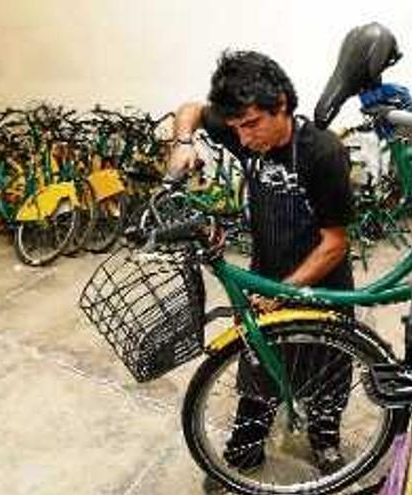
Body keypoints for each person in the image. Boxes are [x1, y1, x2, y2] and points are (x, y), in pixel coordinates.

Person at [168, 50, 355, 487]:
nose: (244, 138)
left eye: (251, 124)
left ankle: (324, 437)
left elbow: (335, 244)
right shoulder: (241, 128)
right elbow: (191, 109)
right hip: (265, 273)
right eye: (235, 128)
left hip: (320, 285)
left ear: (282, 106)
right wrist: (182, 143)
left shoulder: (322, 153)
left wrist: (284, 292)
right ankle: (244, 449)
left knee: (325, 367)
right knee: (258, 366)